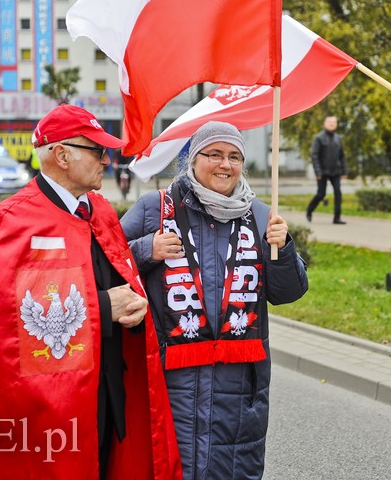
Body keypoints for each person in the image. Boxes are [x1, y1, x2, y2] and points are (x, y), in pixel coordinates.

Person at [0, 105, 181, 479]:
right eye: (97, 151)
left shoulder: (100, 211)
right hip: (51, 409)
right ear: (61, 155)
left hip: (107, 395)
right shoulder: (13, 221)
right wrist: (105, 307)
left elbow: (117, 276)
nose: (108, 159)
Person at [121, 121, 309, 480]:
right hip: (169, 381)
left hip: (238, 389)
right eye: (215, 154)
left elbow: (288, 293)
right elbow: (104, 261)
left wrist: (283, 249)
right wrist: (147, 249)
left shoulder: (260, 215)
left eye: (235, 157)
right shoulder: (155, 209)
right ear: (193, 158)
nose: (226, 164)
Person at [306, 115, 347, 224]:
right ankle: (309, 210)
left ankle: (337, 218)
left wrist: (344, 171)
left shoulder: (338, 138)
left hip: (336, 172)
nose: (332, 123)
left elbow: (342, 156)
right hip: (322, 172)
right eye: (329, 121)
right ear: (324, 124)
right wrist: (318, 172)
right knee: (321, 194)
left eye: (334, 122)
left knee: (338, 193)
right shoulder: (318, 138)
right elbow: (314, 156)